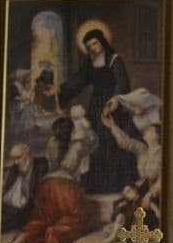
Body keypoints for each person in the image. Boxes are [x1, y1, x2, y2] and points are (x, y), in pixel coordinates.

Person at [45, 28, 140, 194]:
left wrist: (115, 100)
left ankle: (117, 185)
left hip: (113, 105)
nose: (93, 48)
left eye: (95, 43)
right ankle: (97, 185)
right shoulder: (90, 62)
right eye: (89, 46)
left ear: (102, 42)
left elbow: (122, 83)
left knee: (113, 141)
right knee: (94, 142)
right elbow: (79, 80)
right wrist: (59, 89)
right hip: (96, 106)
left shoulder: (114, 59)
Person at [0, 117, 97, 243]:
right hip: (67, 188)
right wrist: (87, 128)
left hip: (47, 185)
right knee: (76, 218)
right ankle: (53, 233)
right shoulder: (78, 145)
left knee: (41, 219)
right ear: (71, 131)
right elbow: (93, 142)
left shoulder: (52, 142)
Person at [0, 143, 47, 233]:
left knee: (5, 224)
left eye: (18, 158)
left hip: (28, 209)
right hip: (10, 207)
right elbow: (5, 189)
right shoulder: (14, 169)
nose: (16, 162)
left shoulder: (41, 166)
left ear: (28, 155)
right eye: (14, 159)